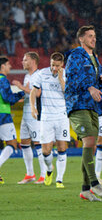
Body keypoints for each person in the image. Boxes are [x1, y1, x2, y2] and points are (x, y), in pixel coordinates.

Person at [65, 25, 102, 201]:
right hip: (77, 104)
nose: (94, 39)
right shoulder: (75, 55)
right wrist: (90, 86)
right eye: (90, 36)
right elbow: (72, 78)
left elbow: (92, 81)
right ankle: (94, 183)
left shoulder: (94, 59)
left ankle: (85, 190)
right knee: (90, 140)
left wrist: (101, 81)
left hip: (91, 106)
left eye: (95, 36)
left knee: (91, 145)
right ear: (81, 39)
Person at [30, 52, 69, 188]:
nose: (54, 68)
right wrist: (33, 108)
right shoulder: (42, 74)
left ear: (62, 65)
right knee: (46, 151)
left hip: (62, 116)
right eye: (52, 65)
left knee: (62, 147)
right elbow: (33, 92)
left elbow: (67, 93)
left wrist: (60, 78)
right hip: (46, 117)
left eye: (57, 66)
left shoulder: (66, 74)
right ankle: (49, 169)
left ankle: (59, 179)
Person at [13, 52, 46, 184]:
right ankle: (30, 174)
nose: (22, 62)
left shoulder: (39, 75)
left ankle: (43, 175)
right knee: (24, 144)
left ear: (33, 61)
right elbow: (28, 93)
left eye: (25, 60)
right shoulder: (27, 76)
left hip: (35, 115)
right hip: (25, 114)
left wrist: (21, 87)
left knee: (38, 143)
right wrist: (20, 97)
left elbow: (37, 93)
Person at [0, 56, 25, 184]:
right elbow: (6, 97)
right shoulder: (3, 80)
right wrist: (21, 93)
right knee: (12, 144)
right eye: (8, 64)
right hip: (2, 115)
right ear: (2, 66)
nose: (10, 66)